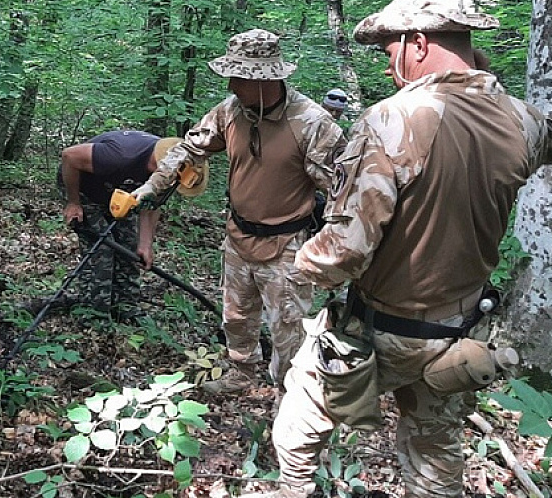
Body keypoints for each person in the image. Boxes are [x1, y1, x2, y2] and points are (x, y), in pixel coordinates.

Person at [251, 0, 552, 498]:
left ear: (418, 43)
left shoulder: (392, 120)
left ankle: (290, 491)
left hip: (383, 327)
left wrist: (302, 260)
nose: (388, 64)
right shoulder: (526, 121)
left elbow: (344, 251)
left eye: (390, 50)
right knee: (436, 454)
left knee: (300, 422)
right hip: (461, 330)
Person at [131, 29, 346, 392]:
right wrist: (149, 190)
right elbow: (190, 148)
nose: (231, 85)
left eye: (238, 77)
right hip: (238, 236)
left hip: (287, 245)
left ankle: (289, 395)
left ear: (264, 79)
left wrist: (337, 253)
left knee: (288, 327)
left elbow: (344, 194)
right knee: (236, 316)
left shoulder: (312, 124)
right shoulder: (230, 112)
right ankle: (242, 373)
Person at [60, 131, 202, 320]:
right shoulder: (121, 155)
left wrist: (145, 244)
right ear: (160, 167)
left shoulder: (171, 173)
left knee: (129, 249)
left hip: (122, 195)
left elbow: (151, 205)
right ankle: (94, 312)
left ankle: (126, 307)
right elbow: (70, 156)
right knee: (102, 247)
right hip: (83, 190)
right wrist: (73, 202)